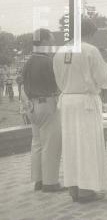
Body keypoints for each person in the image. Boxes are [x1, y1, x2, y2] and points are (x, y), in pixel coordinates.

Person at [53, 18, 107, 203]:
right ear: (90, 33)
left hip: (67, 101)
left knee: (71, 145)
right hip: (85, 101)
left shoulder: (60, 51)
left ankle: (74, 188)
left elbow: (59, 80)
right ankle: (86, 190)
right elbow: (103, 81)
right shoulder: (90, 50)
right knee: (86, 145)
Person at [22, 28, 64, 192]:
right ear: (45, 42)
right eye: (51, 41)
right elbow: (58, 84)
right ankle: (50, 182)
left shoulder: (28, 61)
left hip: (31, 106)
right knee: (51, 144)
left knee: (37, 143)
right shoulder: (48, 61)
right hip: (47, 104)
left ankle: (38, 180)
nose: (52, 44)